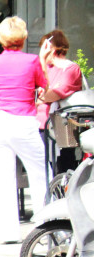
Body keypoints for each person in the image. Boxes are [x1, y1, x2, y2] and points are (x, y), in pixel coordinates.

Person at [0, 16, 50, 243]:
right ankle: (47, 227)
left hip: (0, 120)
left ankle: (7, 233)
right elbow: (44, 85)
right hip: (24, 120)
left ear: (1, 39)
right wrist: (42, 60)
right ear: (23, 38)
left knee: (2, 178)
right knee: (40, 173)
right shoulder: (32, 61)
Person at [40, 28, 86, 174]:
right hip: (40, 125)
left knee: (63, 168)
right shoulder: (46, 68)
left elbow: (52, 95)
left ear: (51, 49)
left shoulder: (70, 69)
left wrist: (42, 96)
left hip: (62, 128)